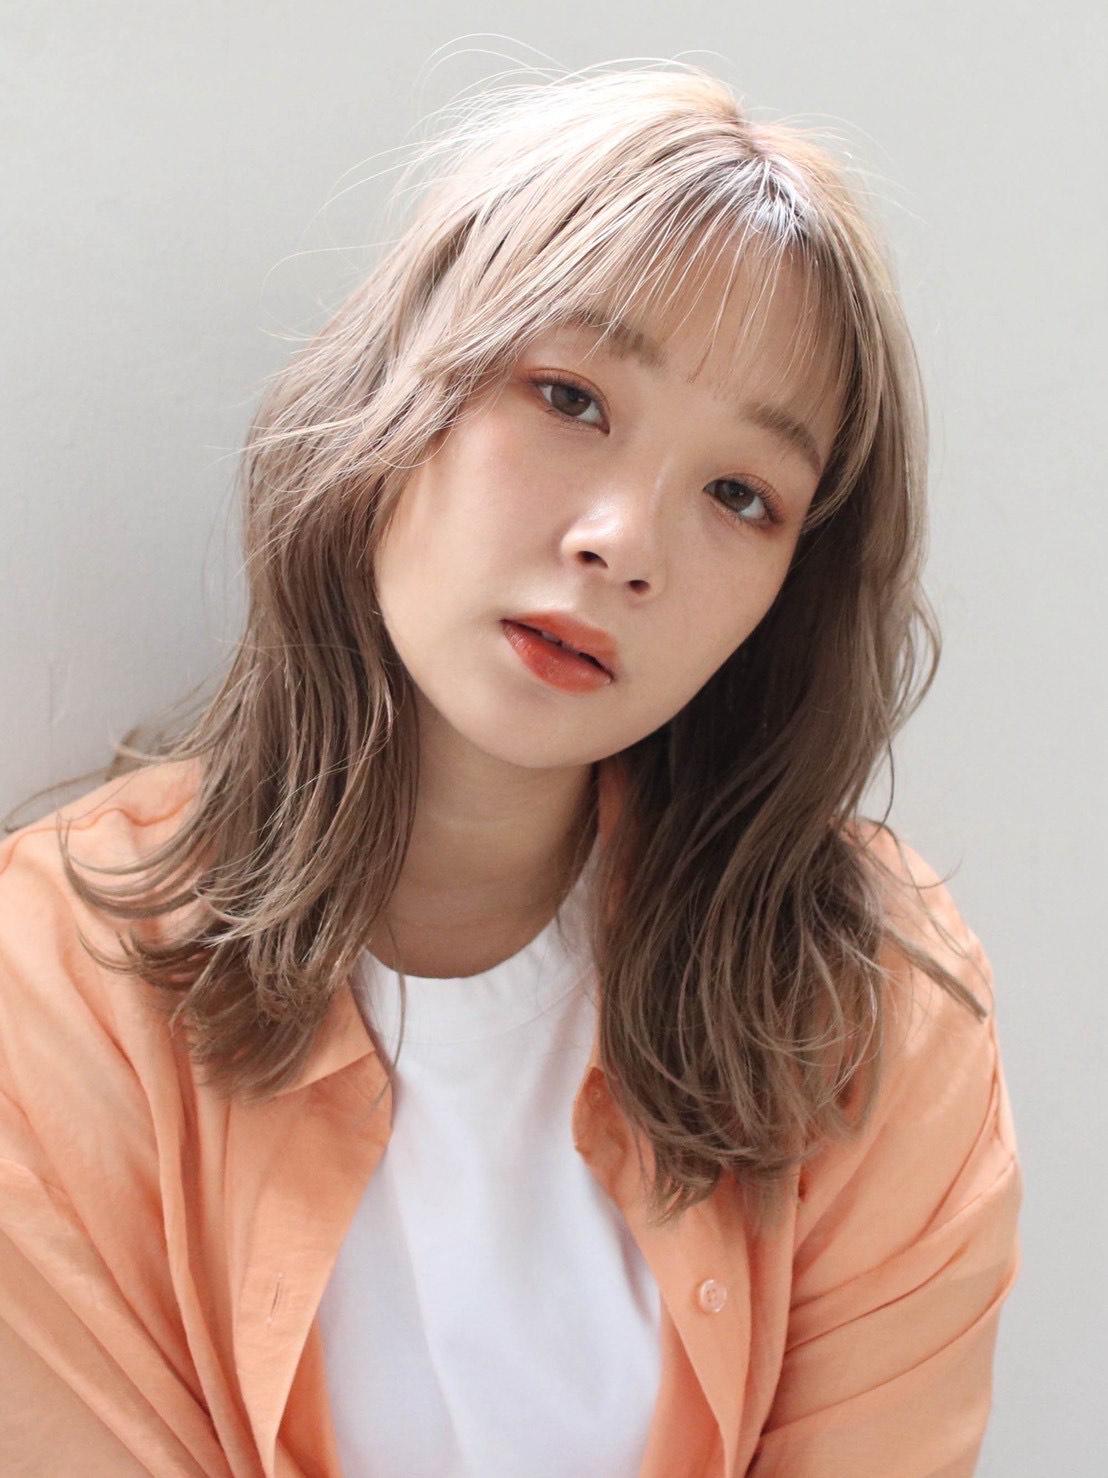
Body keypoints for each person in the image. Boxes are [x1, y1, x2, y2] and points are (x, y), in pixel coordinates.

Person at [0, 62, 1022, 1477]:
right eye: (569, 395)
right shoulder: (56, 980)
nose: (624, 541)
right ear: (401, 394)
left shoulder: (869, 1007)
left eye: (740, 494)